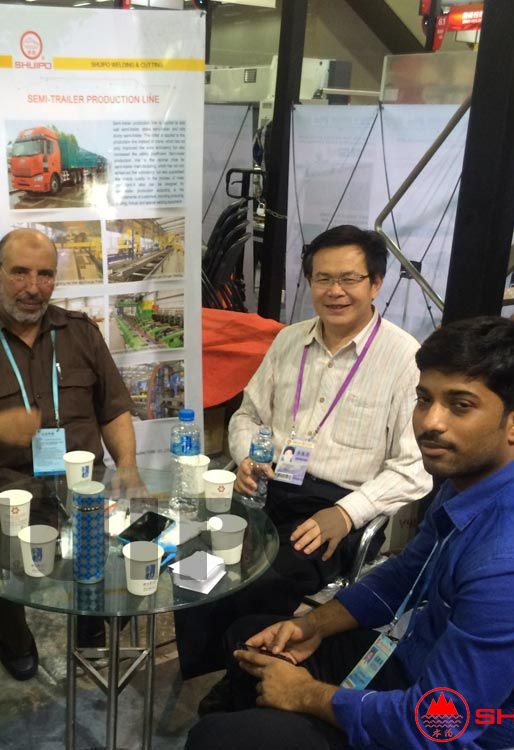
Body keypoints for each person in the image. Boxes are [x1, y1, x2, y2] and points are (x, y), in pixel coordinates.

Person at [186, 316, 514, 750]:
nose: (431, 422)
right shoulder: (473, 484)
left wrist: (306, 695)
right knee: (252, 642)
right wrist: (314, 624)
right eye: (425, 399)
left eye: (460, 405)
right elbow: (408, 572)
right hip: (417, 665)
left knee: (215, 739)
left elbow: (437, 727)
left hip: (460, 734)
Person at [177, 225, 431, 680]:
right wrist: (248, 457)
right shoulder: (289, 341)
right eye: (323, 278)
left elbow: (414, 467)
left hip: (335, 504)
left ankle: (245, 677)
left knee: (264, 577)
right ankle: (210, 666)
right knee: (195, 548)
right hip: (269, 481)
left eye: (349, 279)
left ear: (375, 283)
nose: (335, 291)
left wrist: (349, 513)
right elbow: (247, 415)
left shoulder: (404, 358)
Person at [0, 227, 138, 651]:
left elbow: (113, 408)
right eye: (20, 273)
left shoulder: (80, 332)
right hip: (0, 491)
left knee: (141, 548)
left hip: (83, 485)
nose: (33, 288)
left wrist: (127, 466)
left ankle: (90, 615)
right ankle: (11, 630)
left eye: (45, 275)